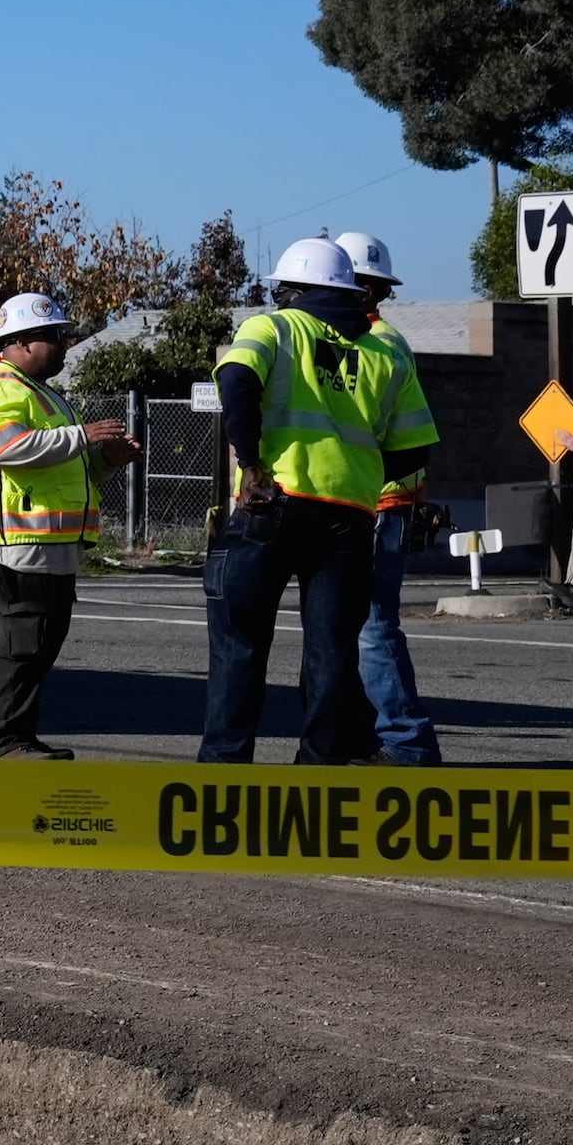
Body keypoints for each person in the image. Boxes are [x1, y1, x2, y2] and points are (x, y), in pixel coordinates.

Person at [203, 237, 435, 763]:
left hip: (274, 503)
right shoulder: (386, 350)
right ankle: (321, 774)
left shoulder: (274, 327)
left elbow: (237, 380)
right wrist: (362, 477)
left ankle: (222, 773)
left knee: (239, 641)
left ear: (289, 288)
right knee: (332, 650)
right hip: (348, 518)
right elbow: (415, 445)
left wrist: (251, 463)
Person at [0, 293, 134, 758]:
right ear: (17, 342)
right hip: (13, 545)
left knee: (36, 646)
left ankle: (18, 738)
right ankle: (5, 741)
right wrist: (81, 437)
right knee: (18, 646)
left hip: (47, 547)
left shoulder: (47, 397)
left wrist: (105, 459)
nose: (64, 344)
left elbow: (67, 468)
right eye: (54, 336)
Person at [333, 231, 444, 764]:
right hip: (374, 502)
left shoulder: (375, 344)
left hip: (380, 505)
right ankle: (372, 739)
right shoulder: (375, 340)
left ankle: (406, 744)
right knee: (357, 627)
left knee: (374, 628)